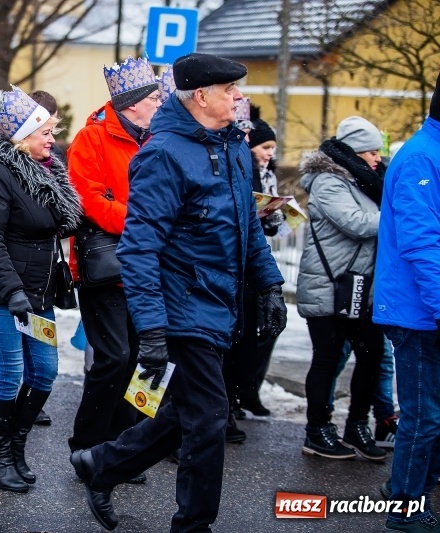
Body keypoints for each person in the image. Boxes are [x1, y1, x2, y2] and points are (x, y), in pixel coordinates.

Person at [69, 52, 286, 531]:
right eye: (230, 90)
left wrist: (270, 284)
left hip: (220, 299)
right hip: (182, 302)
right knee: (209, 417)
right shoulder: (163, 154)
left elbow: (248, 224)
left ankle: (101, 464)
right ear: (201, 97)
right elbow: (139, 247)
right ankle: (193, 525)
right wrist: (151, 329)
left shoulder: (233, 145)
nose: (239, 97)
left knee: (189, 410)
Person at [0, 86, 81, 493]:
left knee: (45, 372)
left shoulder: (49, 170)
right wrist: (13, 292)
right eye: (45, 132)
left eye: (52, 132)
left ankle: (16, 446)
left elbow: (61, 223)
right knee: (10, 373)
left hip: (37, 292)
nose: (52, 139)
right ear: (22, 137)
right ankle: (0, 460)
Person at [67, 57, 160, 462]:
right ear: (133, 103)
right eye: (154, 98)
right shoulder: (91, 138)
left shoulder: (157, 138)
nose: (160, 103)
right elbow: (87, 199)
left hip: (151, 268)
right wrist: (141, 221)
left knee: (144, 360)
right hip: (107, 268)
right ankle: (86, 444)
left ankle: (124, 447)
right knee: (113, 358)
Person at [297, 116, 386, 462]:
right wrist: (400, 213)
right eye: (371, 151)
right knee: (327, 358)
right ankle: (317, 429)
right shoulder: (328, 181)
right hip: (328, 284)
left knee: (372, 355)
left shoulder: (365, 181)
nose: (377, 157)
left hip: (361, 286)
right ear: (354, 151)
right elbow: (357, 224)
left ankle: (357, 425)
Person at [373, 73, 440, 532]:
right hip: (419, 313)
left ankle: (409, 487)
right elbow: (421, 244)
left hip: (426, 308)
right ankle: (405, 508)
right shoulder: (422, 155)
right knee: (423, 417)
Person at [223, 106, 283, 442]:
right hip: (217, 267)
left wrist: (271, 285)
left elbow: (258, 233)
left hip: (246, 267)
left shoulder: (255, 170)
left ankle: (230, 404)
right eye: (264, 146)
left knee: (243, 341)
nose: (268, 153)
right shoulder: (222, 160)